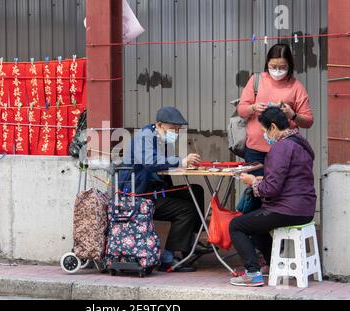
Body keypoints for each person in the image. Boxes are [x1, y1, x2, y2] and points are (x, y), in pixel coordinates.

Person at [229, 107, 316, 287]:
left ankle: (252, 273)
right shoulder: (300, 142)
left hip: (288, 209)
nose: (265, 136)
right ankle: (272, 264)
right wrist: (263, 179)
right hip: (305, 208)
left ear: (273, 127)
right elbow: (291, 177)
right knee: (256, 222)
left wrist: (253, 181)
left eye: (264, 131)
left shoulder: (281, 147)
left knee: (237, 225)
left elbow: (271, 190)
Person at [119, 106, 212, 272]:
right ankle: (169, 258)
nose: (175, 132)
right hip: (140, 196)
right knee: (186, 210)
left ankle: (191, 241)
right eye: (172, 129)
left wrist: (181, 165)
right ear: (159, 124)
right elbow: (151, 162)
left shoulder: (157, 137)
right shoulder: (145, 137)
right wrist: (181, 162)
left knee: (195, 190)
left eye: (177, 130)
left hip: (153, 189)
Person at [237, 43, 314, 177]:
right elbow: (241, 111)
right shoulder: (256, 80)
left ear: (289, 65)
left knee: (279, 192)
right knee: (255, 191)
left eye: (282, 67)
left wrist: (292, 115)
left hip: (284, 150)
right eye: (273, 66)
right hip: (255, 150)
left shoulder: (296, 87)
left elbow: (308, 121)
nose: (277, 71)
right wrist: (253, 107)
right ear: (267, 63)